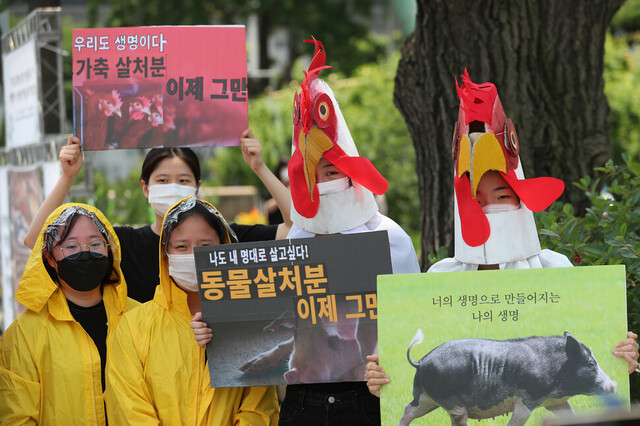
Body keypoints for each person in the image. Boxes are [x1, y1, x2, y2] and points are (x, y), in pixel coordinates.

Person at [364, 70, 639, 398]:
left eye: (502, 196)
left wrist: (622, 355)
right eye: (476, 199)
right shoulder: (439, 278)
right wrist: (384, 377)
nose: (488, 208)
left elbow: (578, 359)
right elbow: (401, 373)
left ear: (521, 199)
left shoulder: (555, 270)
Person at [193, 37, 420, 426]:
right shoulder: (297, 241)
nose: (326, 175)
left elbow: (415, 324)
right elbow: (280, 320)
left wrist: (393, 365)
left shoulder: (389, 237)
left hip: (367, 403)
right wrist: (214, 328)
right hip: (304, 404)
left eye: (334, 167)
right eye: (317, 169)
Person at [24, 128, 292, 302]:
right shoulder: (123, 245)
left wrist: (260, 168)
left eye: (183, 180)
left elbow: (296, 227)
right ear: (146, 188)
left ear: (197, 188)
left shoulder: (225, 238)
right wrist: (67, 177)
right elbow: (37, 239)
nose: (173, 187)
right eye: (162, 180)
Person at [105, 197, 279, 424]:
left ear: (224, 249)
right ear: (165, 255)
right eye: (181, 246)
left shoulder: (246, 324)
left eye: (206, 246)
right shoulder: (132, 327)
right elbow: (129, 411)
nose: (194, 255)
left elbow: (259, 410)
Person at [0, 203, 138, 424]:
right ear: (50, 258)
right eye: (71, 247)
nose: (85, 252)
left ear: (109, 249)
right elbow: (16, 416)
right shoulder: (24, 334)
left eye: (95, 244)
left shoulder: (140, 318)